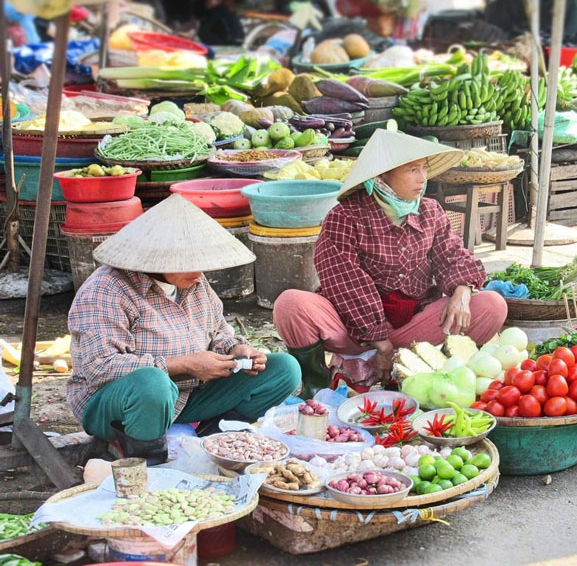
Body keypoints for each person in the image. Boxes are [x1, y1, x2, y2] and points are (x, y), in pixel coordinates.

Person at [67, 195, 302, 464]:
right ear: (157, 260)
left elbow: (219, 330)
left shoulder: (192, 282)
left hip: (187, 395)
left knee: (284, 368)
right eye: (190, 263)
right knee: (152, 383)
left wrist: (236, 349)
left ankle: (215, 442)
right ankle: (146, 460)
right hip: (116, 404)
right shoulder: (106, 291)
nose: (200, 273)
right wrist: (183, 365)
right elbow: (101, 368)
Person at [274, 130, 508, 396]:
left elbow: (452, 255)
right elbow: (345, 283)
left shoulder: (430, 210)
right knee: (291, 304)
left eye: (424, 169)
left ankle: (425, 368)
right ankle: (318, 388)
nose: (422, 179)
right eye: (412, 170)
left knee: (491, 305)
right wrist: (380, 343)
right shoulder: (345, 216)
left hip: (412, 326)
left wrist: (462, 292)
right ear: (382, 175)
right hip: (352, 329)